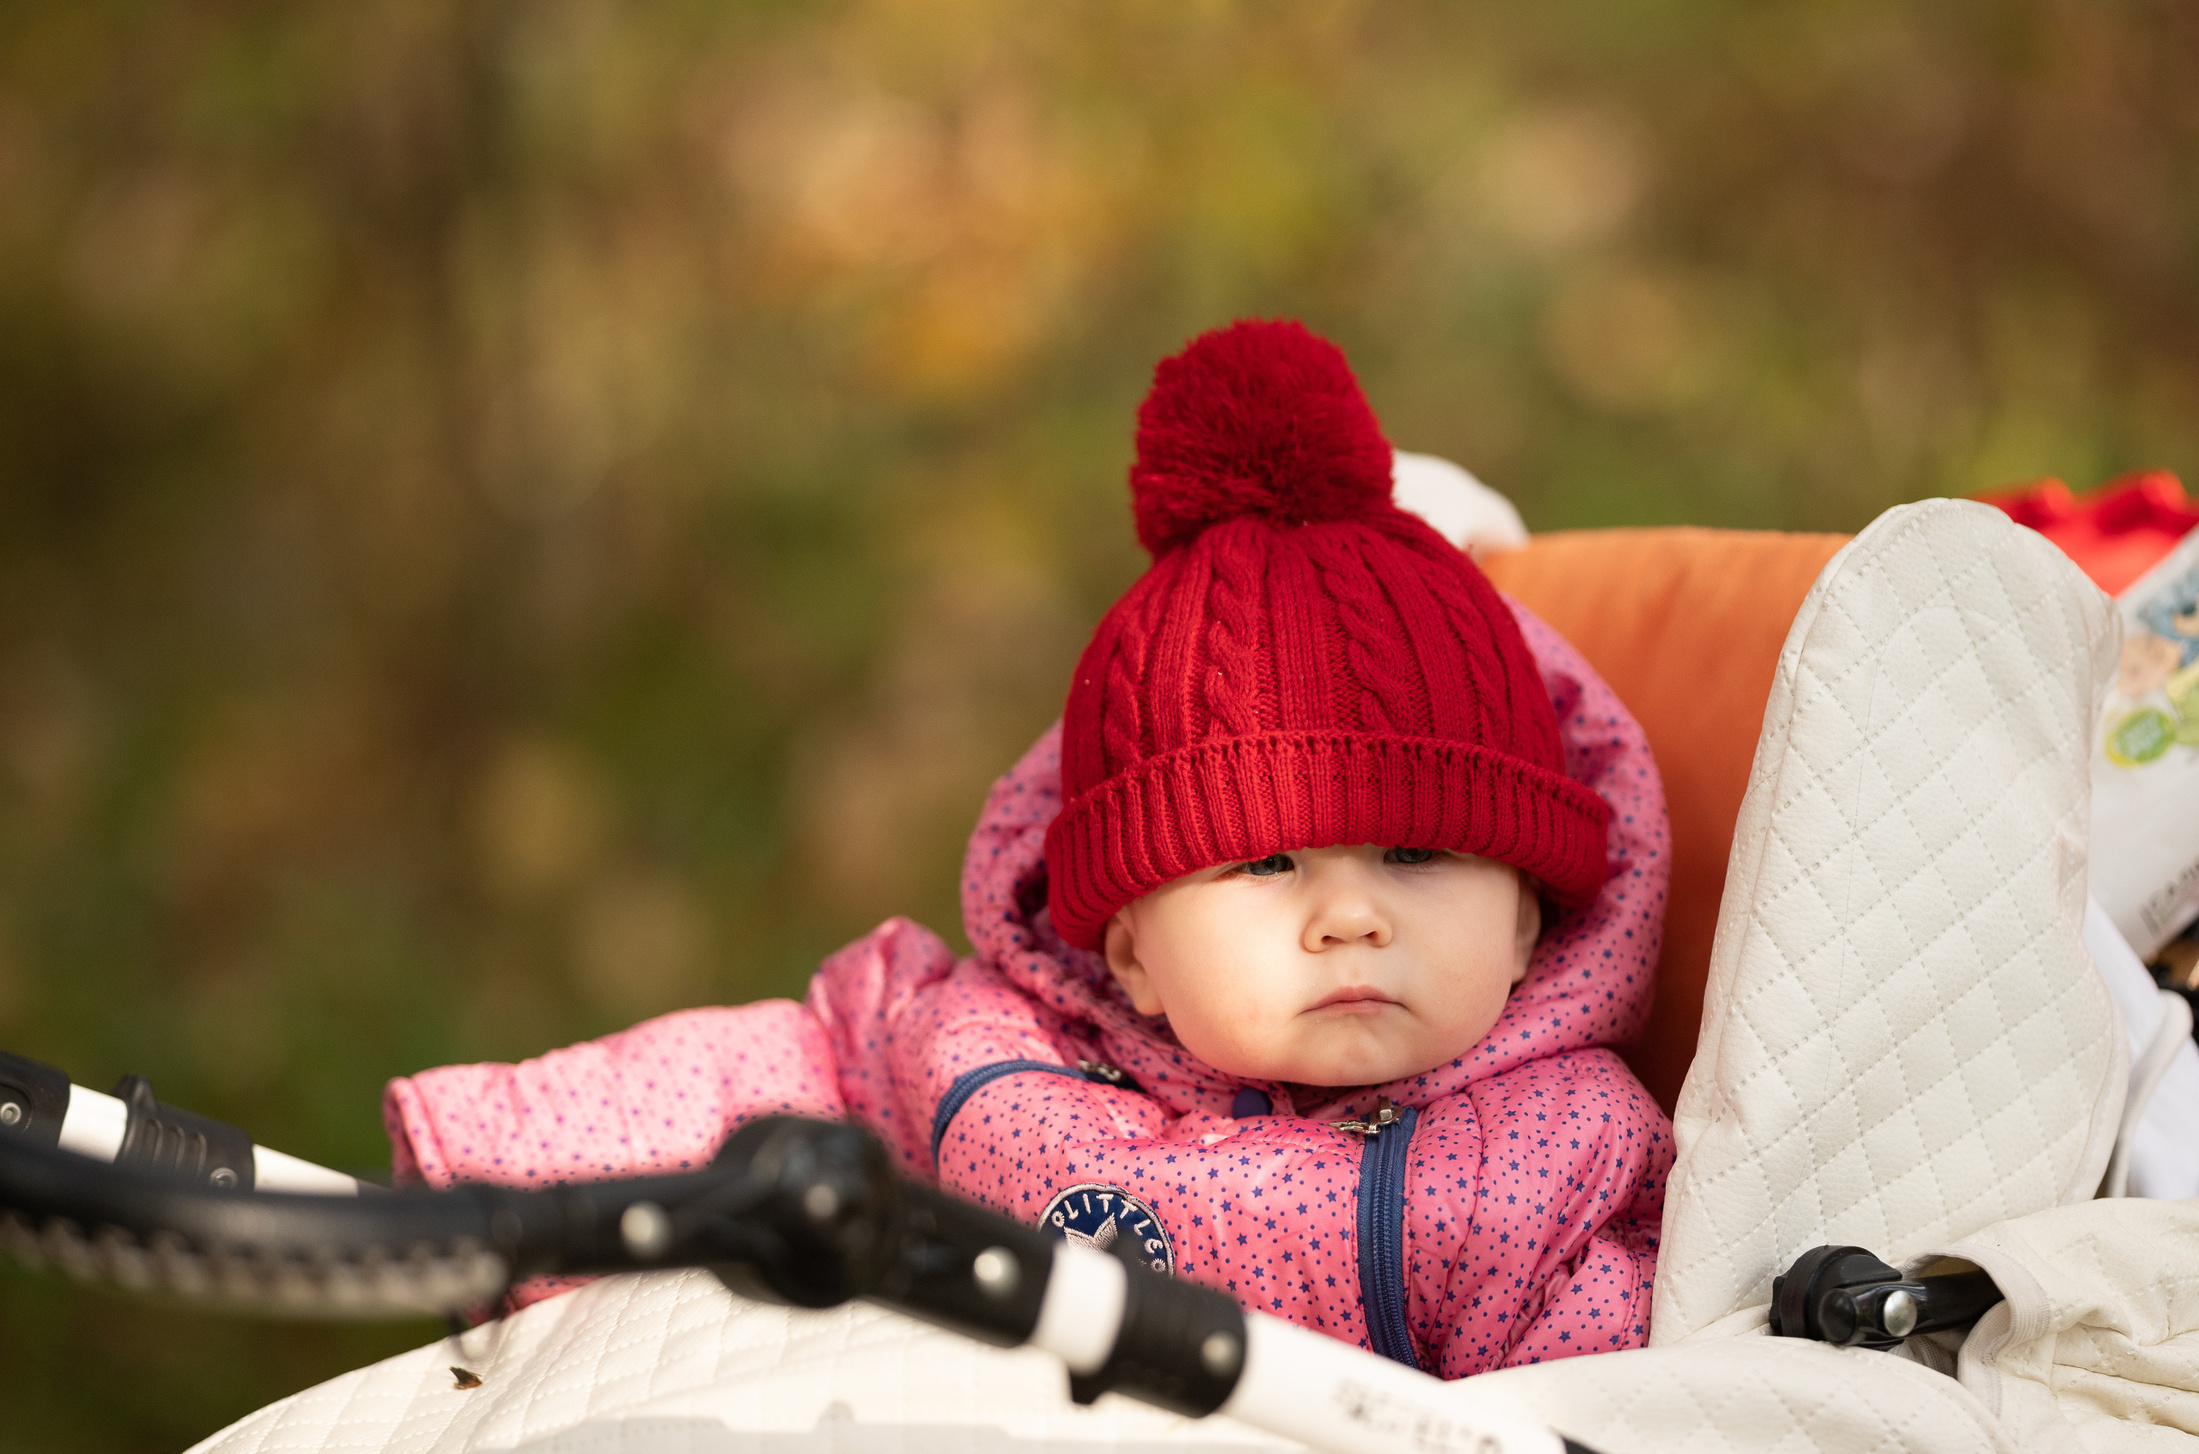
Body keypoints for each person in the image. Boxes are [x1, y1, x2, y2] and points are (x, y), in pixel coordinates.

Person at [387, 320, 1675, 1376]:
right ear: (1131, 950)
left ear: (1525, 922)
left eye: (1416, 857)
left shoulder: (1545, 1162)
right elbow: (770, 1099)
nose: (1347, 915)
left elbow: (1601, 1437)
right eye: (1266, 866)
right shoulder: (992, 1054)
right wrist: (491, 1184)